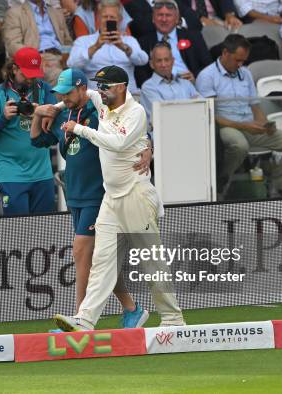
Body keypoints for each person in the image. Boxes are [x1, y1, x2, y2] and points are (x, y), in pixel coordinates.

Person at [52, 65, 186, 331]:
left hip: (136, 196)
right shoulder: (102, 99)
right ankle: (86, 320)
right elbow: (85, 93)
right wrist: (53, 108)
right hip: (111, 200)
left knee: (152, 263)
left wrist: (79, 129)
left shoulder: (135, 112)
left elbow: (117, 143)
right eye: (100, 86)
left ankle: (173, 320)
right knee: (102, 262)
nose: (101, 91)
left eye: (107, 86)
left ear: (122, 87)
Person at [32, 68, 153, 327]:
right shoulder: (64, 111)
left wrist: (148, 146)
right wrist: (41, 112)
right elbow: (36, 139)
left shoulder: (100, 108)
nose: (64, 97)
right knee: (98, 260)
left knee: (81, 252)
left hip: (99, 193)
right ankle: (132, 309)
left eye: (67, 92)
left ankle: (80, 318)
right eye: (60, 94)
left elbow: (132, 131)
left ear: (80, 88)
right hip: (75, 192)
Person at [195, 34, 282, 195]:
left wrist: (264, 123)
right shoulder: (207, 76)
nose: (240, 64)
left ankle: (277, 184)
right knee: (239, 145)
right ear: (225, 53)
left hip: (249, 125)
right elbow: (208, 115)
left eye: (243, 61)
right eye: (237, 60)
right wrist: (244, 125)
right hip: (223, 127)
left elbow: (255, 105)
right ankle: (220, 182)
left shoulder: (245, 72)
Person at [0, 47, 56, 215]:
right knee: (18, 232)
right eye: (26, 73)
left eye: (34, 73)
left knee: (44, 231)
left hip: (42, 173)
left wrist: (41, 113)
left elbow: (56, 127)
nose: (31, 78)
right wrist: (3, 118)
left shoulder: (46, 90)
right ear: (14, 69)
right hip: (10, 174)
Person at [67, 0, 148, 94]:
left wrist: (124, 47)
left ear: (120, 20)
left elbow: (143, 60)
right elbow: (71, 64)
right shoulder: (84, 41)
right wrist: (95, 47)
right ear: (98, 19)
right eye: (105, 17)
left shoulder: (129, 41)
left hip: (128, 96)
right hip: (98, 97)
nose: (108, 20)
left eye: (112, 17)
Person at [135, 0, 212, 87]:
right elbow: (141, 74)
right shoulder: (143, 42)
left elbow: (208, 66)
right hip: (159, 89)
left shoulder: (194, 37)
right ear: (153, 18)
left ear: (176, 19)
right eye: (160, 15)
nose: (164, 19)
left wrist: (195, 76)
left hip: (191, 84)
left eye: (168, 15)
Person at [3, 0, 73, 85]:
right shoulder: (15, 13)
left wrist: (67, 55)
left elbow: (68, 42)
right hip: (38, 58)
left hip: (62, 58)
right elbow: (12, 45)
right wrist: (35, 58)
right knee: (61, 77)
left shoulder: (56, 13)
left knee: (86, 71)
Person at [140, 42, 201, 124]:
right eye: (159, 61)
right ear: (151, 64)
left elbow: (202, 106)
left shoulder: (186, 83)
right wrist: (190, 105)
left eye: (167, 59)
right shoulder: (148, 87)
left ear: (173, 61)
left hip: (191, 128)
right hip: (162, 133)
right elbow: (164, 115)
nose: (163, 64)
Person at [178, 0, 243, 29]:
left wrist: (229, 15)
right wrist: (200, 18)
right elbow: (181, 7)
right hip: (191, 20)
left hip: (217, 19)